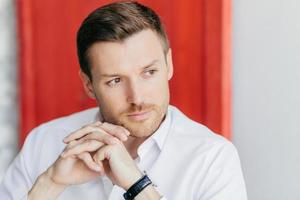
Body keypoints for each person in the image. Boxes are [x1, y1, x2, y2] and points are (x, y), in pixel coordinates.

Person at [0, 1, 247, 200]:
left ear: (169, 65)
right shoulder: (42, 143)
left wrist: (138, 186)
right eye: (115, 81)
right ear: (88, 84)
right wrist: (50, 184)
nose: (137, 98)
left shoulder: (212, 159)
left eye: (149, 73)